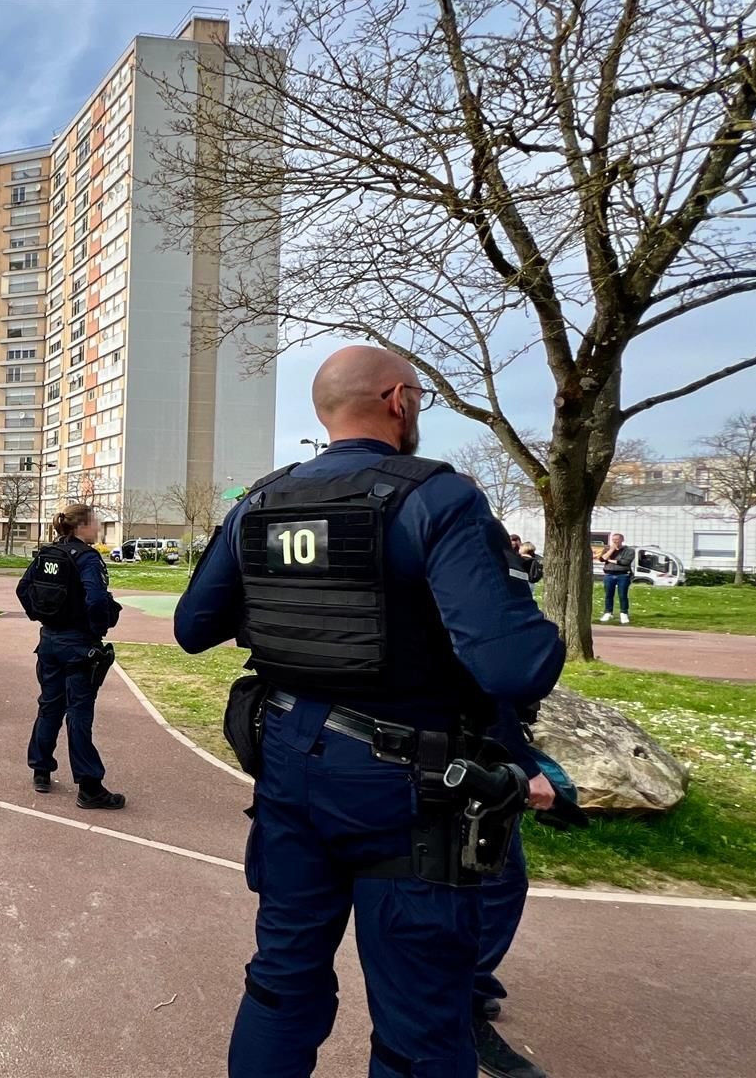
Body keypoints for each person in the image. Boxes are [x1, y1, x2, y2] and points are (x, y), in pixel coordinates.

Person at [173, 346, 563, 1078]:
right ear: (399, 399)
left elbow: (194, 627)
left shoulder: (261, 500)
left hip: (289, 764)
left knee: (282, 976)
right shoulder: (437, 498)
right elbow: (511, 664)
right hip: (409, 786)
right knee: (420, 1015)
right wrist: (540, 628)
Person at [17, 503, 126, 809]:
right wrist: (98, 628)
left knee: (50, 706)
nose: (98, 529)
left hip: (49, 642)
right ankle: (89, 787)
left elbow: (23, 589)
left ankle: (41, 768)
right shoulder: (88, 558)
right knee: (79, 713)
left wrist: (43, 617)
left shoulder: (49, 553)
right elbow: (94, 599)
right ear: (81, 526)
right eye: (96, 523)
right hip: (78, 645)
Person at [598, 533, 635, 623]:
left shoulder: (629, 550)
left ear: (622, 540)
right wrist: (611, 550)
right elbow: (602, 559)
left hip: (623, 575)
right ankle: (608, 612)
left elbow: (625, 562)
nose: (615, 541)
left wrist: (610, 560)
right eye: (613, 539)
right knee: (608, 595)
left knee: (622, 595)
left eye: (617, 539)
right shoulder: (608, 549)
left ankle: (624, 613)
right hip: (609, 574)